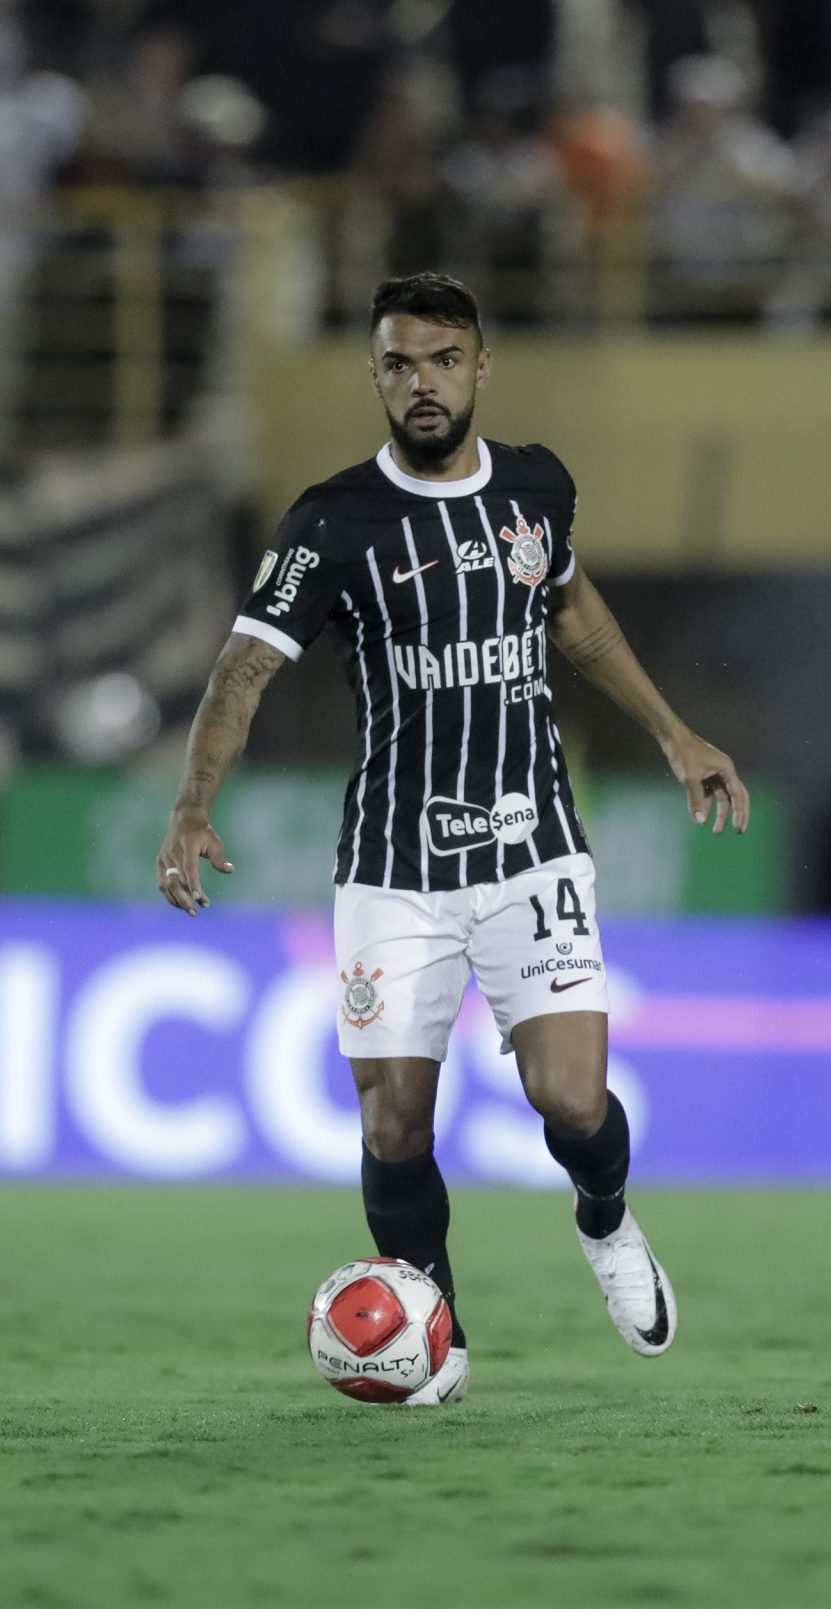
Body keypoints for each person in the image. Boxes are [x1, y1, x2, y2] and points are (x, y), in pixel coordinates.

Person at [154, 272, 749, 1405]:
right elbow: (243, 670)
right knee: (394, 1121)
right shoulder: (331, 523)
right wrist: (192, 802)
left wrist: (674, 732)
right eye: (396, 363)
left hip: (532, 844)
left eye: (440, 360)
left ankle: (607, 1219)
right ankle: (433, 1323)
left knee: (574, 1100)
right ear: (374, 376)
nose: (419, 383)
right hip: (395, 864)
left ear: (481, 367)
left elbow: (573, 611)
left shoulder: (534, 490)